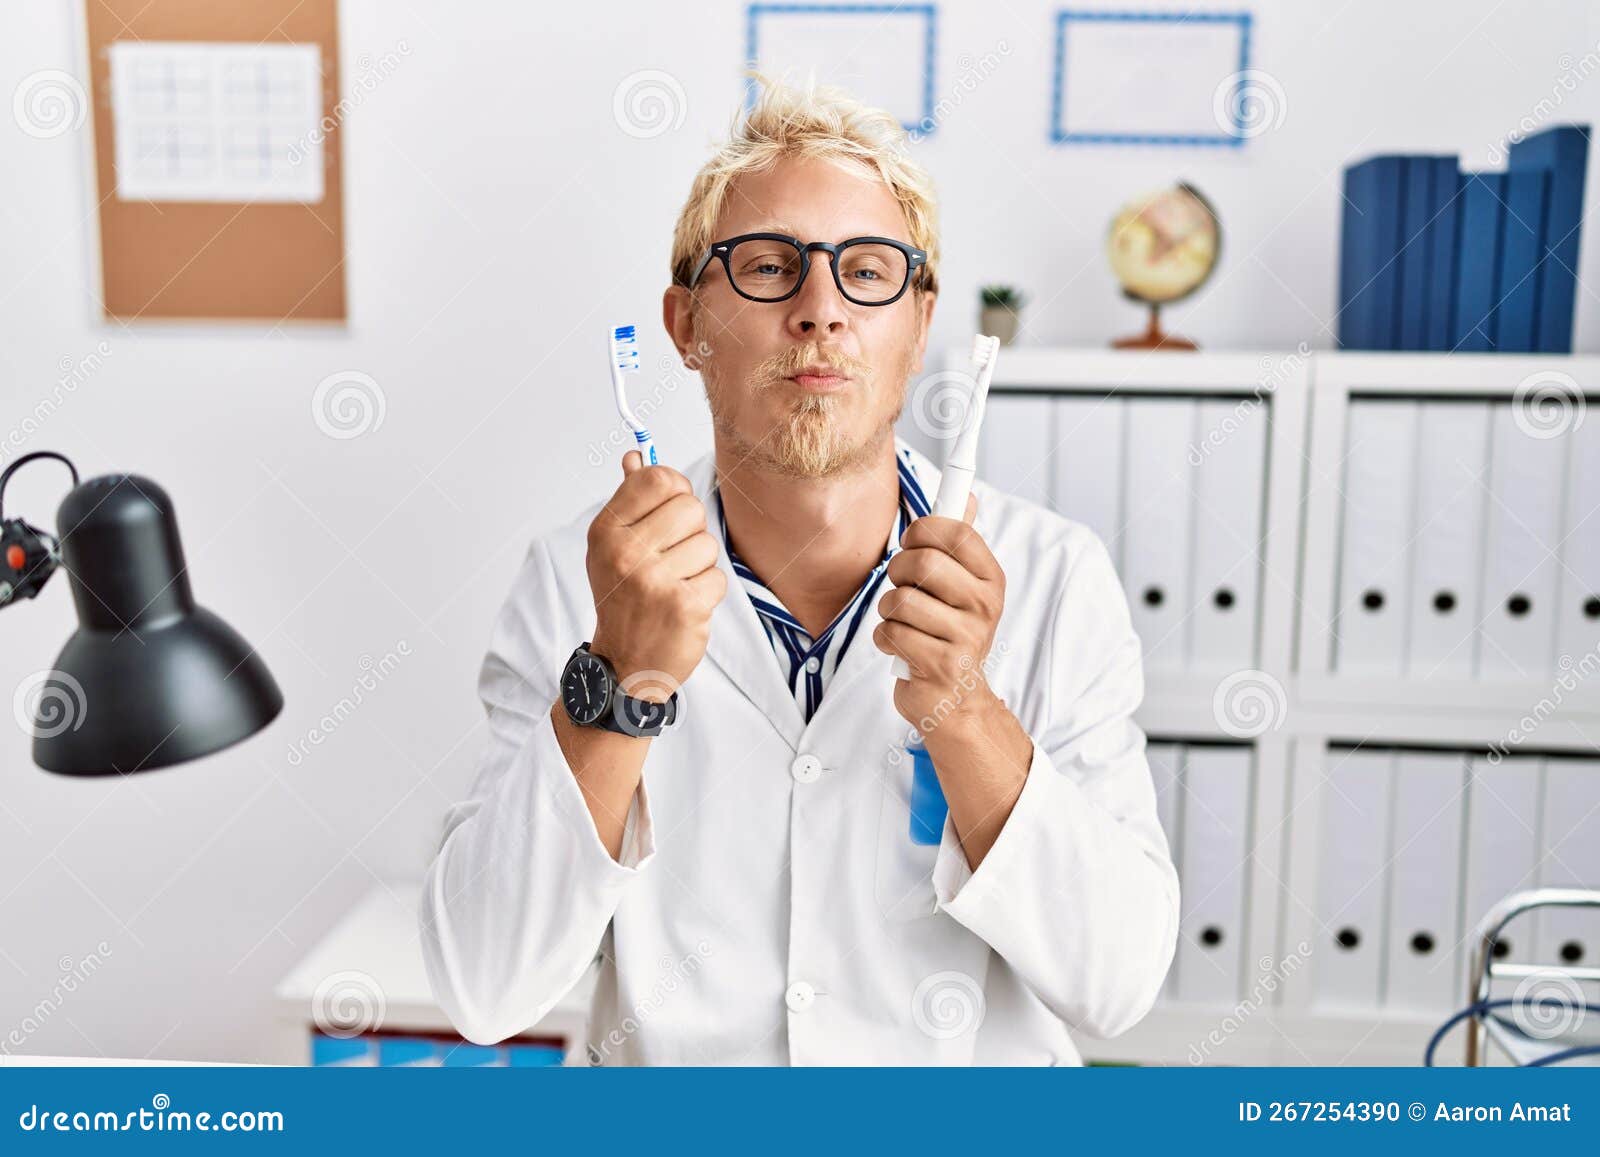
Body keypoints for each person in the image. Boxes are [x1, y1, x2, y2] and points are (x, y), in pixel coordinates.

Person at [419, 76, 1179, 1065]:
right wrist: (619, 683)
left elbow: (1112, 983)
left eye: (866, 270)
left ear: (916, 326)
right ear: (686, 324)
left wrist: (963, 703)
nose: (819, 310)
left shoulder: (1055, 577)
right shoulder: (579, 578)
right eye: (768, 267)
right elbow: (485, 984)